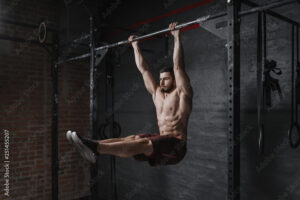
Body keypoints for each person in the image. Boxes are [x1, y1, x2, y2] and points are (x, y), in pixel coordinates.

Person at [66, 22, 193, 166]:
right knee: (133, 138)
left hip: (175, 148)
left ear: (175, 81)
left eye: (166, 79)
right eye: (160, 79)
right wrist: (135, 46)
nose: (162, 82)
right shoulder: (157, 93)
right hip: (161, 141)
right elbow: (144, 70)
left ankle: (97, 149)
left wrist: (176, 37)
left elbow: (178, 66)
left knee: (143, 143)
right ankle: (92, 144)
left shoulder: (182, 93)